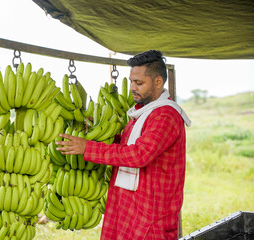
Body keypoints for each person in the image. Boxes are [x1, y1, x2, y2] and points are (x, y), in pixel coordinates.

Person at [56, 50, 191, 240]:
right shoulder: (143, 112)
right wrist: (101, 135)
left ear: (158, 82)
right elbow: (129, 145)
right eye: (132, 82)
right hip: (130, 207)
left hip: (150, 215)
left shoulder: (165, 116)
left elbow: (139, 154)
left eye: (139, 83)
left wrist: (88, 148)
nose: (132, 88)